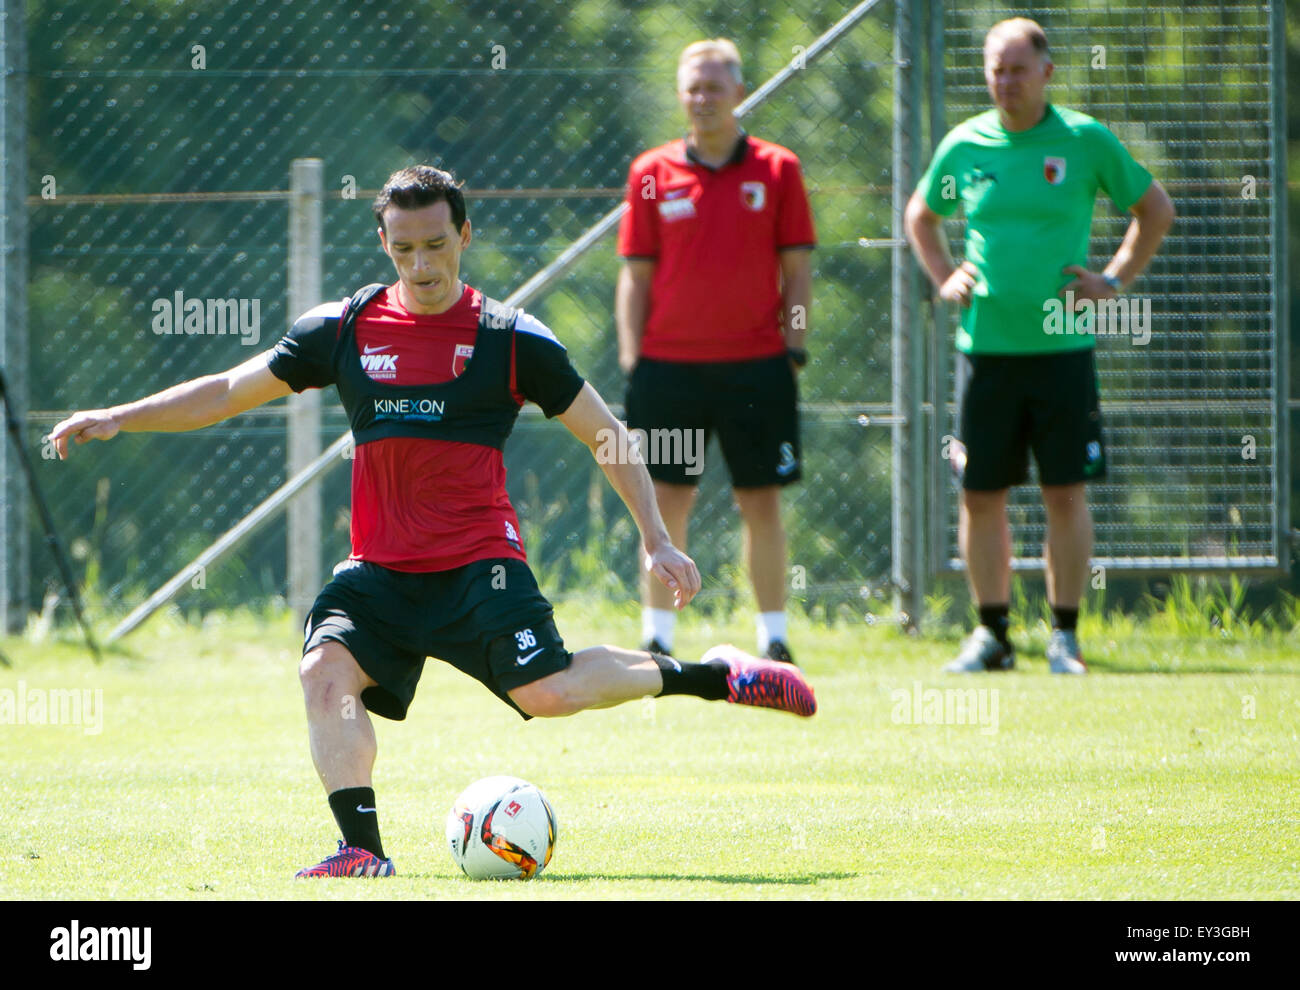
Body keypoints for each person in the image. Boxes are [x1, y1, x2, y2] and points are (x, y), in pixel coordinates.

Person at [49, 164, 817, 878]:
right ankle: (361, 851)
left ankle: (718, 676)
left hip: (478, 563)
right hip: (379, 571)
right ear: (383, 243)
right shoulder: (343, 329)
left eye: (438, 246)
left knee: (547, 694)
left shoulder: (512, 338)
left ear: (465, 237)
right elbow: (223, 390)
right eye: (406, 248)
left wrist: (656, 535)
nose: (422, 265)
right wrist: (121, 416)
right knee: (323, 671)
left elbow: (606, 433)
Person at [905, 18, 1174, 674]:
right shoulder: (966, 145)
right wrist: (946, 275)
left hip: (1062, 351)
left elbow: (1154, 209)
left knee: (1065, 492)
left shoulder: (1082, 140)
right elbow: (922, 215)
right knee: (981, 495)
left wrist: (1111, 280)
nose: (1006, 82)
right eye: (996, 69)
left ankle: (1064, 634)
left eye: (1019, 69)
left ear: (1047, 72)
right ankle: (992, 635)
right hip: (985, 350)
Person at [616, 38, 815, 665]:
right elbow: (635, 274)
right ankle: (659, 638)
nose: (703, 98)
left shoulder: (778, 169)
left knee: (760, 501)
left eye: (714, 86)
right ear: (681, 94)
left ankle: (774, 637)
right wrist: (632, 360)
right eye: (692, 87)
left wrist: (795, 347)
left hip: (758, 367)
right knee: (665, 501)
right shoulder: (651, 173)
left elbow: (799, 271)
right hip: (668, 369)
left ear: (737, 91)